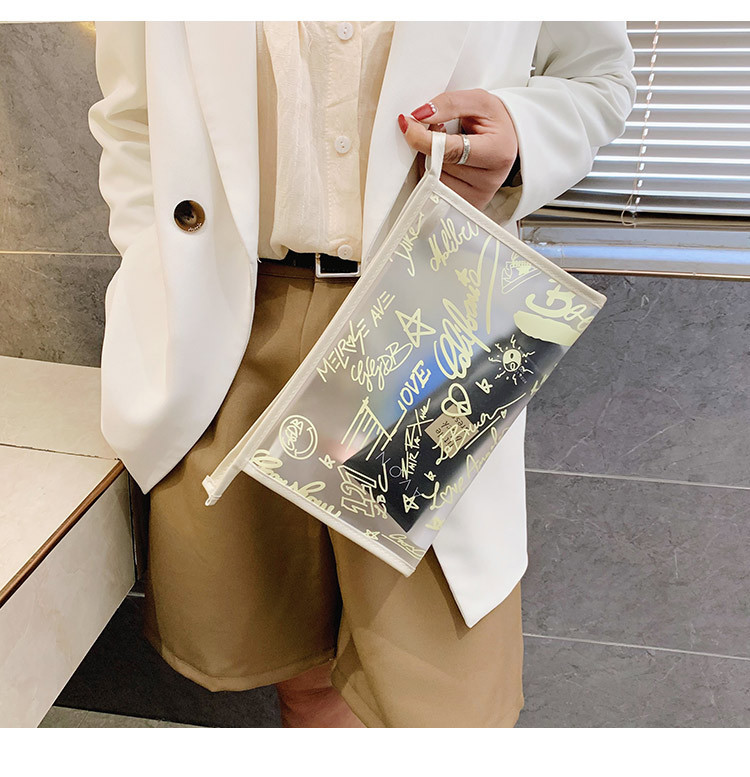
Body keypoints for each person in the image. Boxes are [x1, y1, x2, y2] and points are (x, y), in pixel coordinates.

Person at [88, 21, 636, 727]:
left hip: (426, 319)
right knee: (299, 667)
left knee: (443, 701)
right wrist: (149, 256)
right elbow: (131, 119)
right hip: (231, 325)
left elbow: (598, 79)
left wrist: (523, 131)